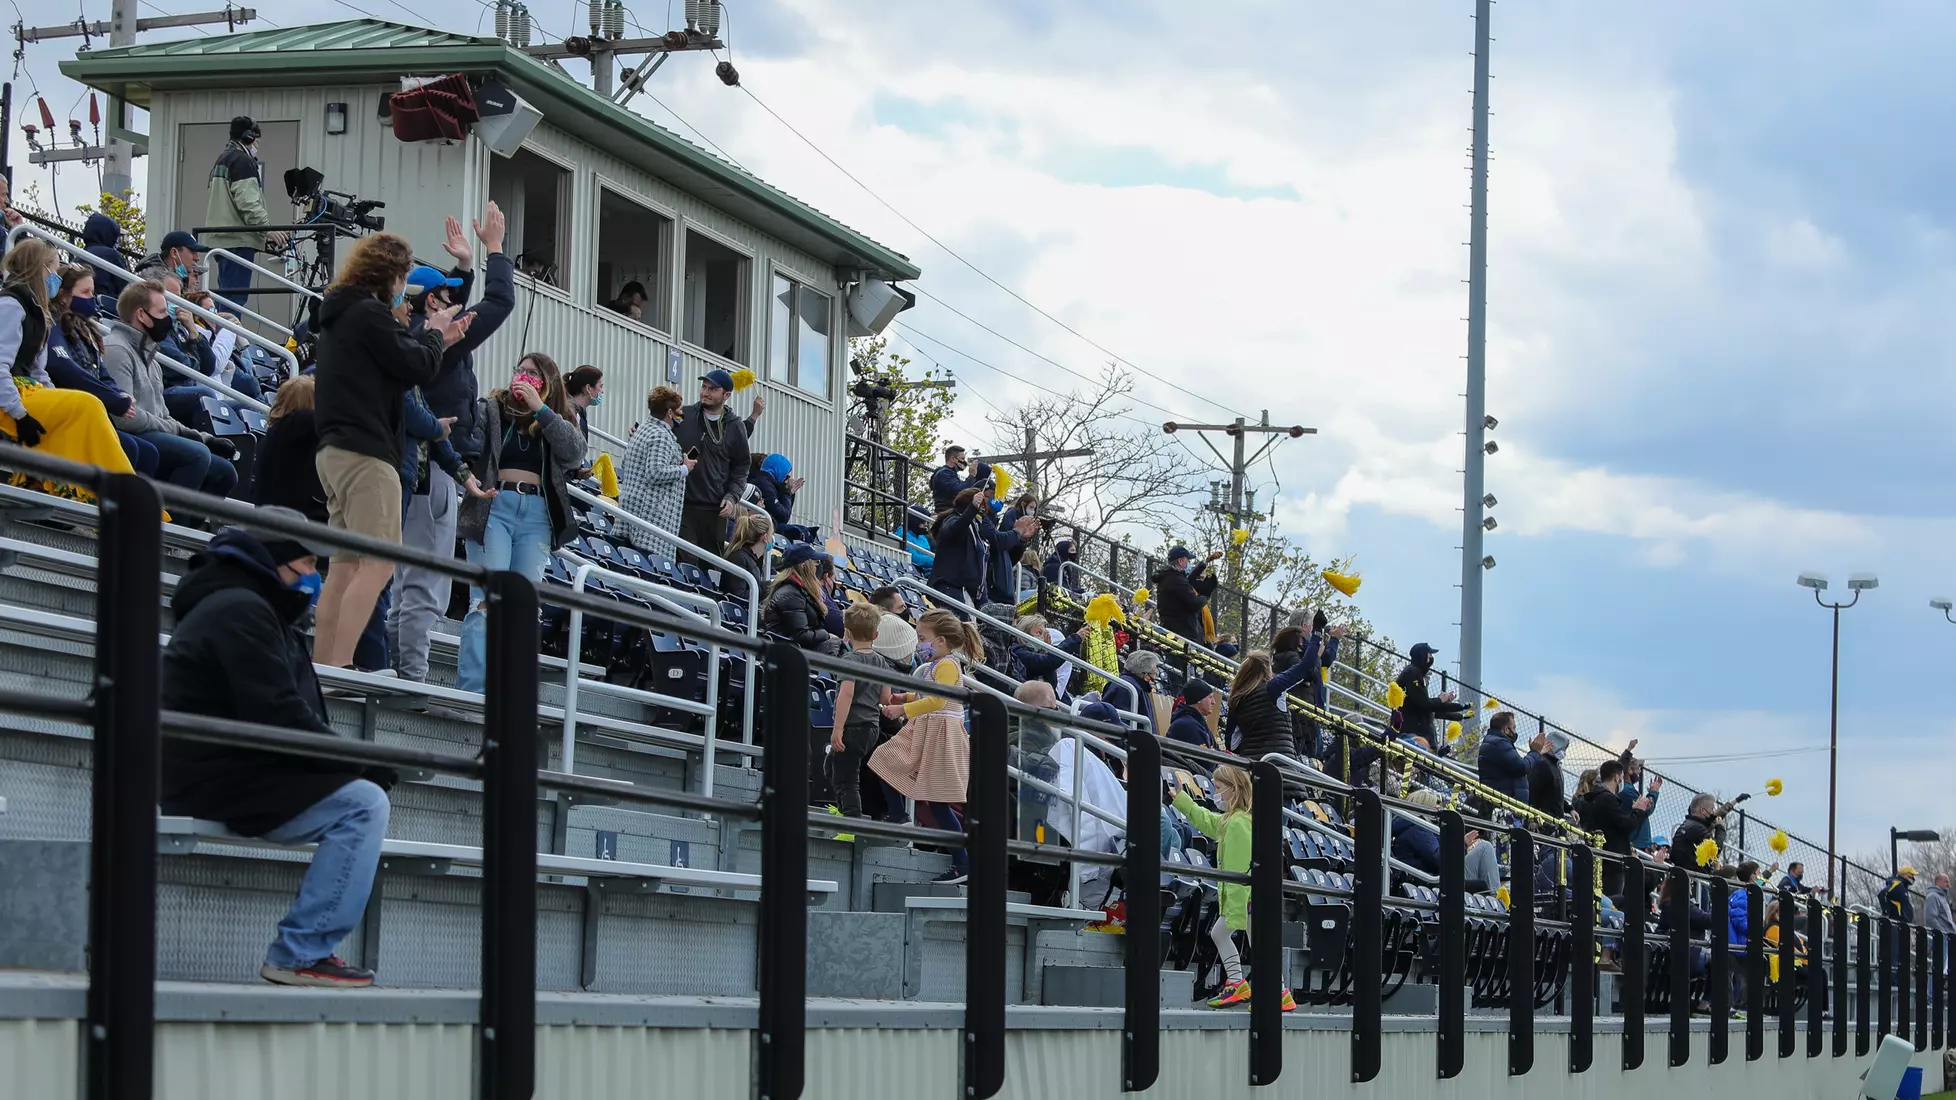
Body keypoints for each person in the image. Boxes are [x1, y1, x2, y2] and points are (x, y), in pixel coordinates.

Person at [158, 509, 392, 988]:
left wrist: (346, 762)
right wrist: (353, 763)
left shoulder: (250, 605)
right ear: (274, 560)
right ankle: (301, 952)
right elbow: (275, 710)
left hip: (233, 764)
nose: (312, 577)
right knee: (363, 805)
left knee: (361, 795)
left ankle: (304, 950)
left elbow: (278, 714)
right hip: (213, 774)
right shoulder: (240, 610)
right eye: (306, 564)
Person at [309, 233, 467, 671]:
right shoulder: (370, 313)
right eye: (402, 278)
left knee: (344, 568)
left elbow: (399, 366)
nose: (405, 290)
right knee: (379, 565)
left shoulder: (341, 316)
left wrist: (440, 342)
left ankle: (324, 666)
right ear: (389, 275)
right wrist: (434, 334)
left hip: (335, 452)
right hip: (367, 454)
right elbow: (417, 367)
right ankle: (340, 667)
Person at [392, 207, 512, 684]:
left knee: (403, 577)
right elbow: (499, 302)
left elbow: (456, 301)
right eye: (446, 295)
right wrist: (494, 250)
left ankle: (396, 665)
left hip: (419, 465)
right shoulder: (435, 339)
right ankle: (410, 675)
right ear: (428, 303)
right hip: (431, 468)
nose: (456, 304)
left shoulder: (412, 335)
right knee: (426, 580)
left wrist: (464, 266)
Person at [454, 354, 585, 693]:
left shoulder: (557, 416)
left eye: (533, 374)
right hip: (494, 506)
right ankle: (474, 691)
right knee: (487, 599)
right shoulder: (493, 408)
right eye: (520, 371)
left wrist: (541, 409)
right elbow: (470, 443)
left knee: (524, 605)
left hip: (537, 514)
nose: (523, 377)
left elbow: (575, 454)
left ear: (547, 382)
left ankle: (512, 694)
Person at [0, 240, 139, 497]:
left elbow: (39, 373)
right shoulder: (11, 305)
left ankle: (109, 494)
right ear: (40, 270)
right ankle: (117, 495)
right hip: (9, 400)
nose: (56, 277)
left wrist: (56, 398)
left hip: (27, 391)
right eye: (54, 270)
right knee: (88, 404)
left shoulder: (39, 311)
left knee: (84, 410)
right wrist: (20, 414)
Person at [1172, 765, 1296, 1011]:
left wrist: (1236, 910)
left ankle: (1260, 988)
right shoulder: (1235, 819)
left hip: (1248, 900)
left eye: (1218, 788)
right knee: (1250, 941)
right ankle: (1263, 989)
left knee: (1240, 938)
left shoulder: (1238, 823)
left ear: (1234, 789)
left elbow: (1239, 872)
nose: (1214, 793)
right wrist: (1181, 801)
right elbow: (1208, 821)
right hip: (1253, 898)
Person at [872, 608, 982, 884]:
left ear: (941, 641)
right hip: (926, 731)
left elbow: (938, 700)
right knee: (885, 759)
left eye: (922, 639)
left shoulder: (947, 665)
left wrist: (903, 709)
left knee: (938, 803)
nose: (919, 645)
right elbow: (928, 694)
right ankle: (899, 817)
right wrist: (906, 697)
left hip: (941, 736)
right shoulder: (938, 665)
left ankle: (963, 862)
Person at [43, 265, 156, 476]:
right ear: (64, 295)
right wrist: (112, 399)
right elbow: (64, 367)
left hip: (95, 413)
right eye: (85, 292)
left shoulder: (85, 329)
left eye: (92, 292)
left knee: (148, 453)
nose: (91, 298)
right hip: (72, 413)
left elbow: (102, 373)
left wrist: (118, 393)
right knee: (132, 448)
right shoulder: (53, 324)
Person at [204, 115, 287, 303]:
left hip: (223, 240)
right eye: (256, 139)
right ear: (248, 137)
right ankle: (228, 324)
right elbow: (248, 203)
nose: (258, 143)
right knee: (234, 300)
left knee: (226, 297)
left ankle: (223, 324)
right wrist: (267, 229)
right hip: (237, 242)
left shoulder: (222, 160)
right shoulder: (242, 161)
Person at [671, 368, 751, 562]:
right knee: (685, 563)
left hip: (715, 512)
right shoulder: (684, 415)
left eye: (713, 389)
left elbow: (741, 468)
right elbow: (662, 432)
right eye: (704, 387)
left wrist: (732, 497)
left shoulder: (735, 426)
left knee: (710, 568)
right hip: (683, 505)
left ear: (727, 395)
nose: (705, 392)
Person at [827, 602, 890, 818]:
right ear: (876, 635)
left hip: (852, 726)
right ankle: (843, 809)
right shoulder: (881, 662)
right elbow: (885, 697)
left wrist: (838, 729)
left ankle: (851, 821)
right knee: (831, 766)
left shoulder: (850, 660)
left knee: (847, 778)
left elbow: (846, 695)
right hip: (871, 728)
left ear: (847, 632)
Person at [618, 384, 693, 558]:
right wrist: (684, 468)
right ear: (670, 413)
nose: (682, 414)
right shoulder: (661, 436)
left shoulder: (643, 429)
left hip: (633, 510)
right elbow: (655, 472)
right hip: (650, 518)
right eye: (679, 411)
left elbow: (626, 462)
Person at [1578, 759, 1653, 899]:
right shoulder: (1607, 799)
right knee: (1612, 899)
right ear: (1617, 777)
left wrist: (1634, 810)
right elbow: (1625, 824)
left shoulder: (1593, 798)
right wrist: (1639, 810)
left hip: (1600, 857)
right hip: (1612, 860)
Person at [1224, 650, 1319, 761]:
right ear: (1267, 669)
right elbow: (1306, 664)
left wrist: (1251, 747)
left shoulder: (1236, 699)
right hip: (1280, 764)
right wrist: (1316, 640)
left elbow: (1231, 743)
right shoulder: (1274, 687)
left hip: (1251, 764)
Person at [927, 486, 1000, 608]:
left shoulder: (975, 527)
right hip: (950, 588)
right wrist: (972, 508)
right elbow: (956, 529)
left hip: (969, 592)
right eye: (981, 506)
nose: (982, 512)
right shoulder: (951, 520)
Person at [762, 543, 838, 653]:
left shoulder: (798, 590)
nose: (817, 568)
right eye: (815, 563)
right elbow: (801, 635)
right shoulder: (790, 594)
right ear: (804, 566)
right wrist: (827, 635)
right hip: (791, 654)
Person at [1394, 642, 1469, 751]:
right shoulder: (1411, 672)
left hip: (1422, 734)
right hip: (1411, 734)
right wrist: (1441, 699)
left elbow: (1430, 708)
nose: (1431, 658)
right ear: (1422, 655)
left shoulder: (1416, 674)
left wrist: (1460, 712)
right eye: (1429, 655)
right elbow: (1424, 703)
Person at [1152, 545, 1221, 648]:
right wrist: (1206, 594)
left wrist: (1204, 563)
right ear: (1180, 561)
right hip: (1182, 636)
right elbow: (1195, 603)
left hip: (1179, 632)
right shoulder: (1176, 580)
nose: (1189, 563)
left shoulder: (1171, 577)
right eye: (1188, 560)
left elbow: (1188, 580)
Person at [1475, 710, 1532, 805]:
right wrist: (1534, 753)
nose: (1515, 731)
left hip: (1501, 802)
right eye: (1514, 728)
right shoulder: (1500, 743)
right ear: (1506, 730)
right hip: (1503, 805)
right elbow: (1521, 767)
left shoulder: (1495, 741)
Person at [1617, 745, 1661, 851]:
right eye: (1637, 769)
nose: (1639, 772)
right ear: (1629, 770)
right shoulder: (1626, 790)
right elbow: (1646, 810)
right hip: (1636, 843)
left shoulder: (1628, 789)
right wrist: (1654, 792)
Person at [80, 212, 131, 303]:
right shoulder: (112, 255)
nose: (117, 241)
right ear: (108, 234)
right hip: (108, 305)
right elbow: (126, 287)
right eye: (116, 236)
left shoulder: (79, 256)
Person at [720, 511, 771, 597]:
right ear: (765, 537)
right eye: (771, 534)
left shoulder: (750, 557)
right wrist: (768, 587)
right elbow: (738, 597)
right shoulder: (738, 558)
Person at [751, 452, 805, 532]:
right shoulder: (765, 485)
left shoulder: (769, 483)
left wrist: (789, 492)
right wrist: (787, 492)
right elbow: (783, 516)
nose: (787, 477)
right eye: (786, 474)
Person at [1115, 648, 1163, 737]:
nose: (1154, 677)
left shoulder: (1134, 686)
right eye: (1153, 674)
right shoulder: (1128, 688)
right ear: (1145, 675)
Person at [929, 444, 990, 514]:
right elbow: (961, 492)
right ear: (953, 459)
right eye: (962, 459)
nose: (965, 462)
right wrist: (972, 476)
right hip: (946, 512)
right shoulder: (944, 474)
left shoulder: (950, 474)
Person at [1527, 729, 1570, 820]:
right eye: (1563, 748)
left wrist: (1570, 809)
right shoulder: (1542, 764)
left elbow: (1555, 794)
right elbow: (1532, 790)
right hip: (1544, 820)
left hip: (1552, 820)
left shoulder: (1555, 765)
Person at [1673, 793, 1720, 875]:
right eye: (1712, 809)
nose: (1714, 812)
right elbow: (1716, 849)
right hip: (1693, 875)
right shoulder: (1697, 828)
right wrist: (1720, 828)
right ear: (1703, 811)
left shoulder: (1689, 824)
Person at [1166, 678, 1220, 749]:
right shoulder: (1188, 725)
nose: (1213, 702)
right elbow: (1203, 754)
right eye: (1210, 697)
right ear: (1199, 700)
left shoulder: (1197, 721)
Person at [564, 364, 604, 436]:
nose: (602, 391)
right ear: (588, 388)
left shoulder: (580, 412)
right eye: (600, 386)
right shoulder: (571, 415)